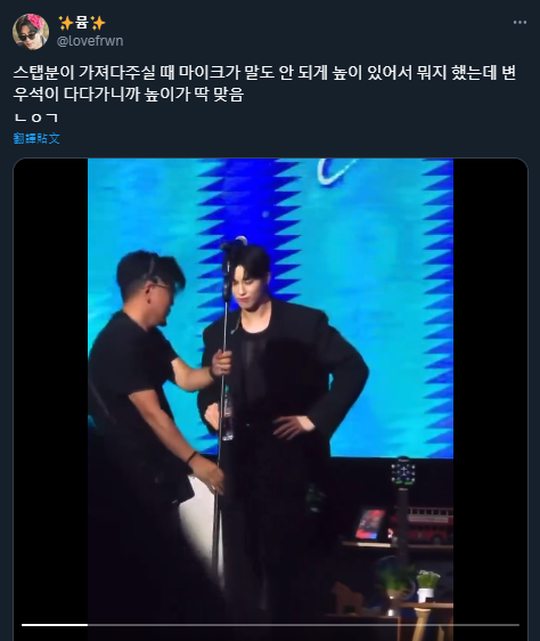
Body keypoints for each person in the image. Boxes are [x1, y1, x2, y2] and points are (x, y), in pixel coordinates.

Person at [197, 244, 369, 623]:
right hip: (240, 465)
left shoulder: (305, 325)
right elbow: (210, 387)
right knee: (242, 566)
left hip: (293, 463)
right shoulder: (219, 332)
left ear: (267, 279)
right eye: (234, 283)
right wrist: (209, 409)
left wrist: (313, 419)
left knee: (291, 569)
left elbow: (353, 369)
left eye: (249, 281)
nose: (241, 291)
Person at [88, 249, 232, 623]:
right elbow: (153, 415)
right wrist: (196, 461)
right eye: (171, 291)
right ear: (150, 289)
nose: (173, 302)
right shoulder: (119, 342)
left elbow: (185, 378)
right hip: (132, 479)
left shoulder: (149, 338)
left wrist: (213, 371)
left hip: (157, 476)